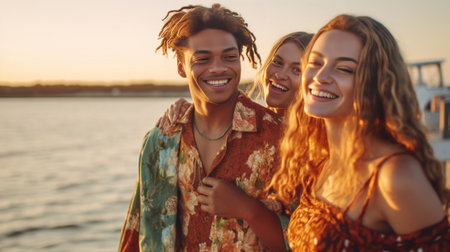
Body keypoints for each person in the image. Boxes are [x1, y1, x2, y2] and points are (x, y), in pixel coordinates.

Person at [269, 14, 450, 251]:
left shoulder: (392, 175)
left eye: (344, 69)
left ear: (375, 83)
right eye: (314, 63)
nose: (321, 77)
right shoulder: (323, 161)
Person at [118, 4, 286, 251]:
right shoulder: (161, 141)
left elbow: (303, 242)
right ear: (181, 66)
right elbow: (137, 233)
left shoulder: (279, 136)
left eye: (229, 57)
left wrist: (249, 209)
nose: (218, 67)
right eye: (203, 59)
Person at [248, 31, 313, 115]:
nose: (280, 75)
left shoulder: (318, 128)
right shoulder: (251, 120)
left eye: (297, 70)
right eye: (277, 62)